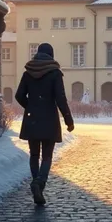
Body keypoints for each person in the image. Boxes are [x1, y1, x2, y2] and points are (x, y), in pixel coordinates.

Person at [15, 43, 74, 205]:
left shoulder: (28, 73)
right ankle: (39, 184)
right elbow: (61, 99)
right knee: (47, 156)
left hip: (32, 118)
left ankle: (36, 182)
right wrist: (69, 120)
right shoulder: (54, 73)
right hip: (49, 119)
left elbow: (19, 95)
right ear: (51, 55)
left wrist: (31, 106)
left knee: (34, 154)